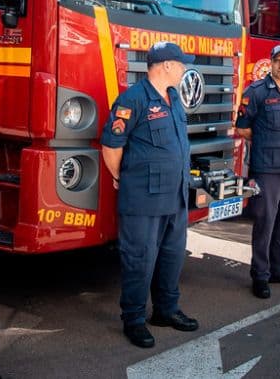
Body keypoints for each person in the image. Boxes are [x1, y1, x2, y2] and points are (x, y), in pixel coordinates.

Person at [100, 41, 199, 348]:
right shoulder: (133, 100)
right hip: (144, 198)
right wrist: (122, 177)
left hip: (175, 196)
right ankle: (133, 319)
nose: (184, 69)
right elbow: (111, 147)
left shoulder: (173, 98)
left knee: (171, 257)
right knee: (140, 260)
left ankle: (166, 310)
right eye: (181, 64)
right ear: (166, 65)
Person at [235, 43, 280, 299]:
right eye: (277, 61)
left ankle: (278, 269)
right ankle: (260, 275)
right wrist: (263, 140)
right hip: (267, 169)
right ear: (271, 63)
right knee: (265, 222)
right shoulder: (256, 92)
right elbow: (242, 127)